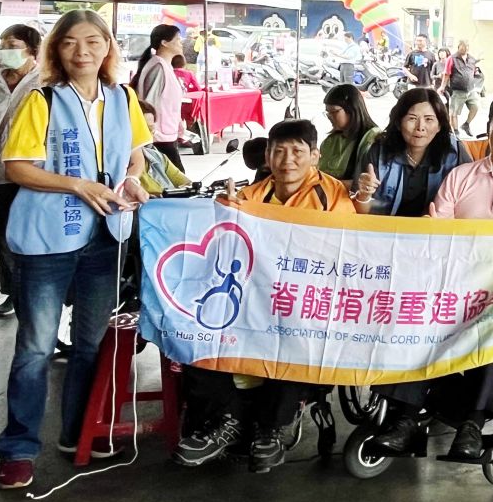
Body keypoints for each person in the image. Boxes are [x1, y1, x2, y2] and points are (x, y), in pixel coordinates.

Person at [0, 10, 153, 491]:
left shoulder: (123, 97)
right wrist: (77, 185)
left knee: (90, 343)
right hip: (48, 241)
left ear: (108, 47)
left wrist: (132, 180)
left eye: (93, 41)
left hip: (105, 237)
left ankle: (78, 433)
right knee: (36, 348)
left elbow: (137, 157)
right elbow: (17, 166)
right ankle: (18, 448)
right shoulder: (41, 99)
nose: (82, 51)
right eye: (69, 42)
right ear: (56, 50)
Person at [363, 95, 493, 461]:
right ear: (488, 129)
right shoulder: (461, 176)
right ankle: (405, 418)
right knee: (416, 317)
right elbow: (438, 229)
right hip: (453, 283)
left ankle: (472, 425)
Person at [173, 119, 354, 473]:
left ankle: (271, 429)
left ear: (314, 156)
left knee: (299, 338)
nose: (288, 160)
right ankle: (225, 422)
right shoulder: (252, 196)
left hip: (305, 303)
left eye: (297, 151)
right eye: (279, 151)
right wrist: (224, 212)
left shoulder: (332, 196)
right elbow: (228, 245)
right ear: (267, 157)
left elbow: (343, 253)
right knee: (197, 331)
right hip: (255, 301)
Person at [0, 23, 42, 321]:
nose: (5, 50)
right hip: (1, 170)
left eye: (13, 45)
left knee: (34, 234)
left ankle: (37, 292)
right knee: (5, 236)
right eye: (4, 44)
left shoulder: (46, 82)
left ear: (32, 50)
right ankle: (12, 293)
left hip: (37, 173)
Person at [353, 88, 470, 217]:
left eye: (429, 119)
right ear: (398, 123)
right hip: (386, 226)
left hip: (436, 227)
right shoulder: (379, 152)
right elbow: (360, 212)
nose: (420, 127)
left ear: (439, 126)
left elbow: (470, 202)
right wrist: (364, 195)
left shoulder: (455, 153)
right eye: (412, 118)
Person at [133, 24, 187, 172]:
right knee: (179, 180)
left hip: (166, 134)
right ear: (164, 43)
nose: (181, 43)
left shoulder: (165, 66)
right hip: (159, 137)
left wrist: (179, 123)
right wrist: (151, 131)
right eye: (177, 39)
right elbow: (149, 104)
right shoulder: (158, 67)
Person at [318, 83, 381, 192]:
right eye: (328, 113)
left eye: (334, 111)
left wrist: (325, 184)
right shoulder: (330, 141)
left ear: (352, 109)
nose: (329, 117)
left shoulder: (372, 139)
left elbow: (366, 184)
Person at [136, 104, 191, 194]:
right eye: (145, 128)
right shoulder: (121, 166)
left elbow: (187, 184)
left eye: (152, 128)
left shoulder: (158, 157)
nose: (151, 132)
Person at [447, 39, 485, 136]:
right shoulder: (452, 58)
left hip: (470, 90)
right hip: (457, 90)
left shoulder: (471, 59)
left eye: (467, 47)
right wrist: (443, 86)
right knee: (454, 113)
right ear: (459, 47)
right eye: (463, 46)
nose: (465, 49)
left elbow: (474, 71)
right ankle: (456, 132)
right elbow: (446, 74)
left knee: (475, 106)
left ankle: (466, 124)